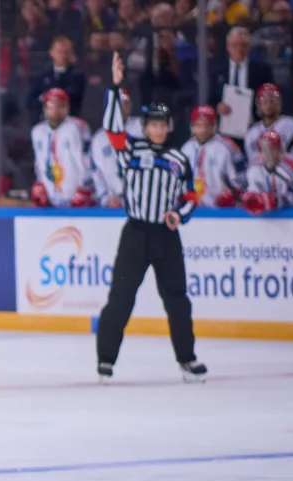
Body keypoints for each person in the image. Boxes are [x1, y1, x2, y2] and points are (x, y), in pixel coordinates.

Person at [96, 51, 206, 384]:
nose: (158, 130)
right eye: (153, 125)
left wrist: (178, 215)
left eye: (162, 125)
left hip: (166, 237)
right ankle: (106, 360)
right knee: (120, 298)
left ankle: (187, 359)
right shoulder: (131, 150)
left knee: (177, 300)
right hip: (136, 234)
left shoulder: (179, 159)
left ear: (168, 127)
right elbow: (112, 128)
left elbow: (190, 197)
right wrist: (116, 87)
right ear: (145, 127)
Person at [30, 88, 94, 208]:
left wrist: (85, 187)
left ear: (67, 107)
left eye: (60, 105)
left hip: (74, 194)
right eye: (51, 105)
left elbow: (86, 160)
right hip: (49, 195)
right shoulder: (37, 132)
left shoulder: (77, 127)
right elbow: (38, 163)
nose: (55, 110)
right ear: (44, 108)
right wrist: (39, 183)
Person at [181, 105, 247, 208]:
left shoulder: (228, 147)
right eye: (198, 125)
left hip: (222, 209)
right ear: (192, 126)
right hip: (192, 208)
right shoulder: (186, 148)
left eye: (207, 125)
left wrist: (232, 195)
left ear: (214, 125)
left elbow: (242, 176)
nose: (203, 130)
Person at [211, 27, 275, 132]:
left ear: (249, 47)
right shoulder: (216, 70)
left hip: (254, 127)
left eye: (243, 45)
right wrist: (217, 107)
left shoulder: (262, 70)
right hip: (224, 128)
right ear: (228, 47)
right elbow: (208, 98)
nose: (239, 49)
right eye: (235, 45)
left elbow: (270, 96)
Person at [91, 88, 144, 207]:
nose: (122, 108)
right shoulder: (98, 139)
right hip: (114, 202)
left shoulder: (142, 127)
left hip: (141, 199)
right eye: (117, 104)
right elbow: (97, 173)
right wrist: (105, 198)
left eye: (125, 103)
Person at [27, 36, 87, 123]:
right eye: (59, 51)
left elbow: (74, 96)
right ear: (51, 52)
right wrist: (43, 100)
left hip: (69, 122)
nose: (62, 55)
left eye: (65, 52)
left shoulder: (77, 76)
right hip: (43, 122)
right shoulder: (42, 76)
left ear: (71, 54)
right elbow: (30, 100)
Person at [242, 130, 293, 215]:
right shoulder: (253, 169)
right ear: (259, 152)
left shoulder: (291, 167)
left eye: (273, 149)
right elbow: (248, 193)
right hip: (263, 219)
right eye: (265, 149)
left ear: (280, 150)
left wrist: (277, 200)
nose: (269, 153)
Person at [243, 84, 293, 162]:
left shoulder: (291, 125)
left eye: (273, 100)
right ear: (258, 104)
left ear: (279, 102)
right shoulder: (252, 133)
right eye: (264, 101)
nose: (268, 104)